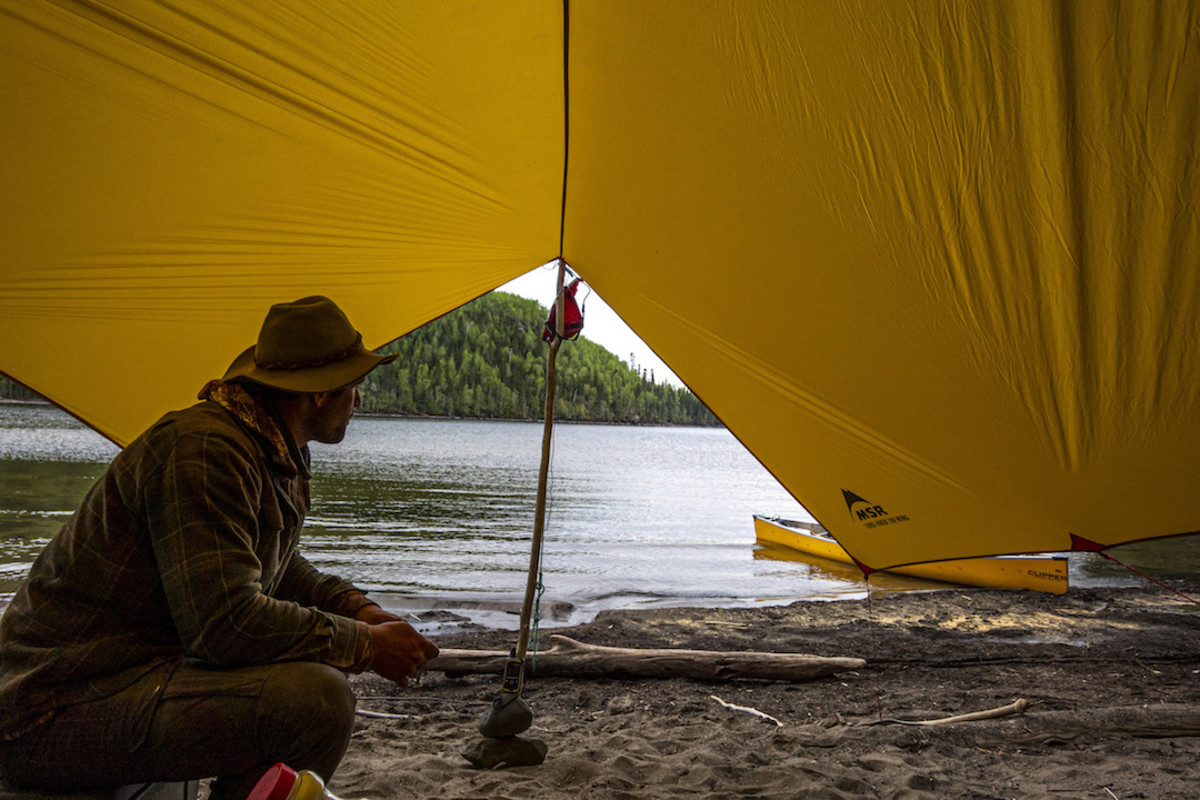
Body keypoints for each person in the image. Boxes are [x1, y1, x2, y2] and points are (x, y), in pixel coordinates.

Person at [0, 296, 439, 798]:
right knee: (319, 701)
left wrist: (357, 608)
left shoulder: (270, 446)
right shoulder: (206, 448)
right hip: (52, 709)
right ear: (318, 393)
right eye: (354, 385)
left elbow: (275, 564)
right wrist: (364, 645)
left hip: (125, 680)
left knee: (307, 678)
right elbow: (225, 626)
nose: (359, 400)